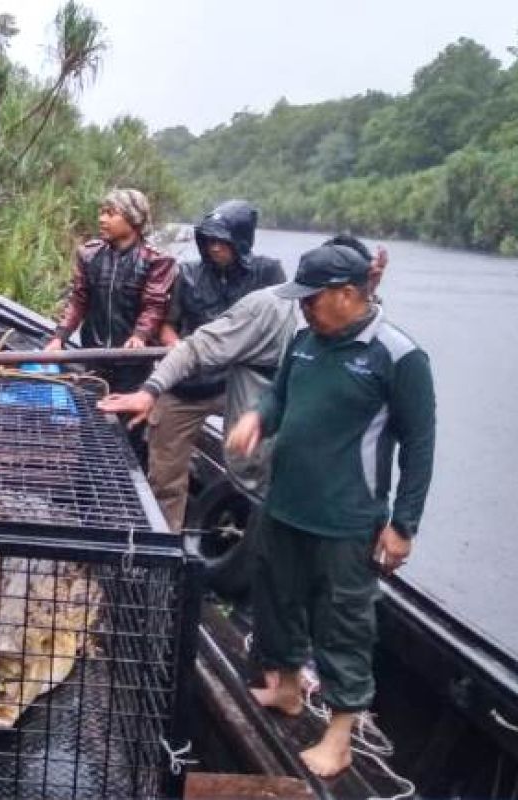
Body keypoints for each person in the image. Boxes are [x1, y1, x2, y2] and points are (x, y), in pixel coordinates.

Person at [226, 243, 436, 778]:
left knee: (343, 622)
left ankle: (339, 735)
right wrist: (258, 418)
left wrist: (403, 524)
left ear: (348, 294)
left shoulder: (397, 355)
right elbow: (280, 397)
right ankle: (290, 689)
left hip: (346, 518)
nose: (303, 309)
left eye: (312, 300)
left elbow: (419, 444)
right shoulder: (304, 341)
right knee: (276, 598)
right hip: (286, 504)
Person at [100, 235, 387, 498]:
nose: (308, 309)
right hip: (261, 458)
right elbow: (196, 347)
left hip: (319, 471)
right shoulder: (268, 307)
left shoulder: (367, 327)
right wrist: (150, 390)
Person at [146, 200, 285, 531]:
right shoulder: (189, 274)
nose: (215, 248)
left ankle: (248, 534)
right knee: (164, 475)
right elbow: (168, 324)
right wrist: (176, 347)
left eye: (222, 241)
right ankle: (167, 540)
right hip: (188, 383)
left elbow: (294, 317)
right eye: (209, 240)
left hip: (236, 384)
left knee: (257, 458)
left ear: (241, 243)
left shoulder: (268, 274)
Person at [45, 187, 176, 392]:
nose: (102, 219)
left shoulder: (156, 260)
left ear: (133, 219)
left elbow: (154, 305)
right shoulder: (89, 254)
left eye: (110, 213)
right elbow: (78, 300)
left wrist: (140, 335)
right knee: (90, 412)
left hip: (133, 361)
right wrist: (58, 338)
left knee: (127, 419)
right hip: (93, 354)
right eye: (102, 212)